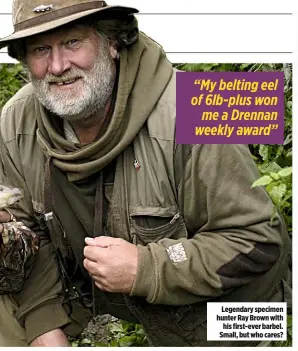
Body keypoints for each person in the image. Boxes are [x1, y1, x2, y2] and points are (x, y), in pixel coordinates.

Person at [0, 0, 291, 347]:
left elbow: (259, 242)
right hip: (104, 297)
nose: (58, 65)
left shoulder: (204, 104)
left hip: (231, 309)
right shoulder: (17, 119)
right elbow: (28, 230)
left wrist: (146, 267)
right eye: (41, 49)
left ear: (111, 42)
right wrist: (43, 324)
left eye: (73, 42)